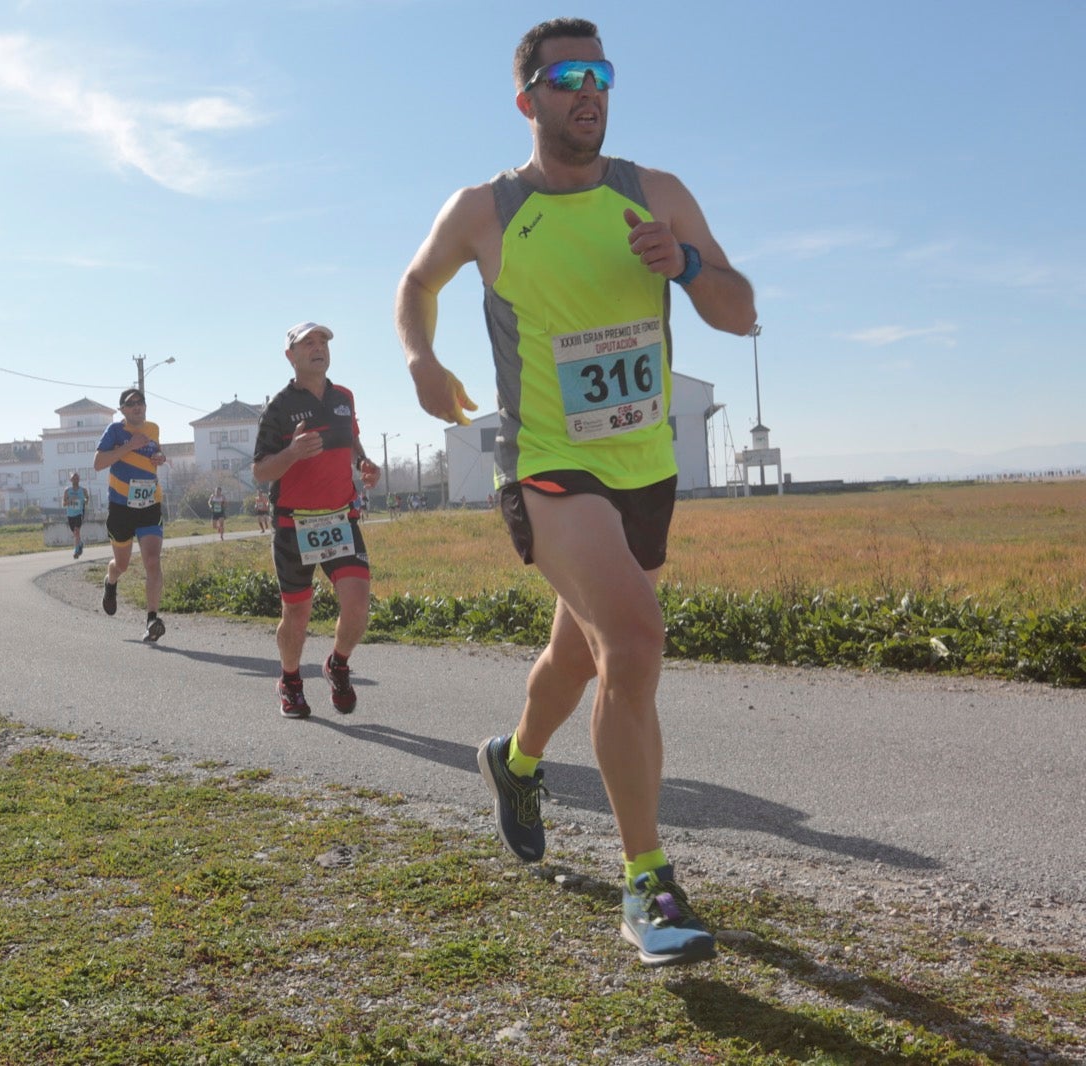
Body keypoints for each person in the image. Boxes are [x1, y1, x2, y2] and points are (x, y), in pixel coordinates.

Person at [394, 17, 757, 967]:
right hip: (550, 466)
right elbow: (416, 280)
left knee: (582, 654)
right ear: (529, 101)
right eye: (565, 79)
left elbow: (742, 309)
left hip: (644, 473)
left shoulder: (656, 194)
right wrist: (421, 358)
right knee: (633, 641)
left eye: (600, 75)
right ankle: (650, 887)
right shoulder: (487, 208)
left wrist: (682, 264)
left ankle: (512, 763)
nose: (587, 91)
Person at [253, 321, 382, 718]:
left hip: (341, 517)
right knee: (297, 614)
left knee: (358, 606)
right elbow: (261, 471)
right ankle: (290, 680)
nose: (318, 347)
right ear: (290, 356)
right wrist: (291, 453)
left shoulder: (344, 396)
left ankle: (337, 665)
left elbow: (351, 438)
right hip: (295, 524)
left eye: (323, 341)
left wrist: (363, 462)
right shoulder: (278, 408)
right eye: (307, 343)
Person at [94, 387, 170, 643]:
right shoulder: (115, 431)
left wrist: (160, 457)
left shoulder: (153, 429)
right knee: (123, 565)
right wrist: (129, 446)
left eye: (141, 402)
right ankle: (111, 580)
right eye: (131, 403)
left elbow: (154, 454)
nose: (138, 406)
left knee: (152, 560)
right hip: (121, 508)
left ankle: (152, 619)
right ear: (123, 410)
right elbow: (98, 463)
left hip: (149, 504)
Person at [62, 472, 90, 559]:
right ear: (70, 480)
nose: (75, 479)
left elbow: (87, 499)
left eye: (77, 478)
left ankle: (76, 551)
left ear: (79, 479)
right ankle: (80, 544)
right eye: (73, 478)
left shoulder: (83, 490)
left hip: (79, 513)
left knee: (77, 531)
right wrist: (70, 501)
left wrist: (85, 501)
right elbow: (63, 504)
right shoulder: (67, 491)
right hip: (70, 514)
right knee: (75, 533)